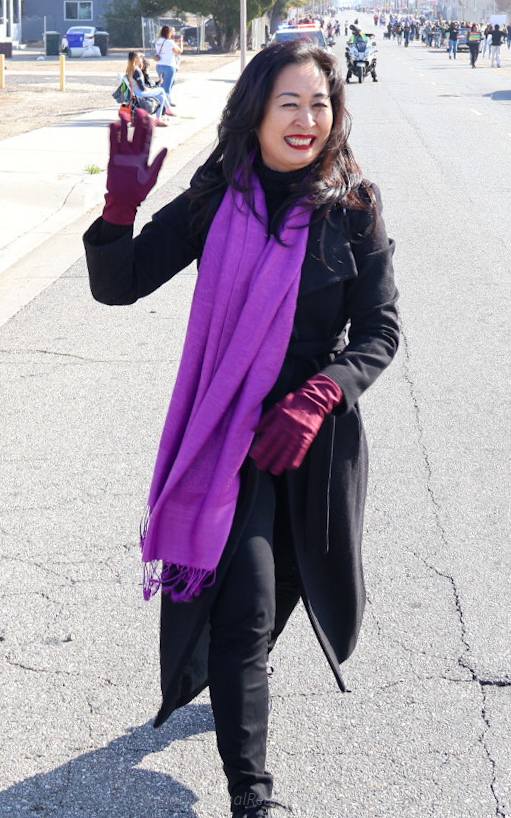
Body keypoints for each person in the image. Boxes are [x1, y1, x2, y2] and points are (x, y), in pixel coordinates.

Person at [83, 40, 399, 818]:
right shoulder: (215, 195)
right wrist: (118, 210)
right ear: (255, 111)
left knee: (290, 588)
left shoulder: (353, 206)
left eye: (319, 104)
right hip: (228, 440)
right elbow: (120, 286)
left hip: (314, 441)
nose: (305, 119)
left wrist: (319, 396)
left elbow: (379, 331)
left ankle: (235, 672)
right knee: (243, 612)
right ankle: (250, 797)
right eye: (289, 102)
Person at [125, 51, 172, 127]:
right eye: (140, 57)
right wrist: (150, 89)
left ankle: (160, 117)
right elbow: (142, 88)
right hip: (140, 93)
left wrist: (151, 88)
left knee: (161, 97)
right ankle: (167, 111)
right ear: (136, 59)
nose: (141, 59)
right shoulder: (136, 70)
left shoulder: (129, 69)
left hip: (136, 93)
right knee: (161, 90)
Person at [154, 24, 182, 101]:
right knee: (167, 86)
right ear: (168, 32)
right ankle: (166, 102)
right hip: (169, 66)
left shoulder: (158, 41)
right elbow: (179, 51)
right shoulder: (170, 42)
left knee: (163, 84)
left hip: (159, 65)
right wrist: (181, 42)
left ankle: (161, 100)